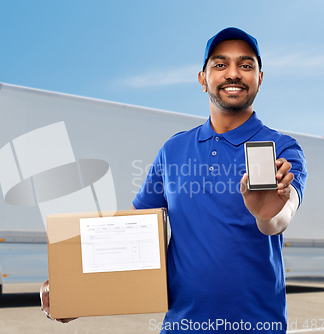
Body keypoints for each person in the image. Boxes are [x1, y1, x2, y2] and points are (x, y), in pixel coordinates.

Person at [41, 27, 307, 333]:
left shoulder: (283, 149)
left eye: (246, 65)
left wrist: (266, 214)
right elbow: (133, 234)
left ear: (260, 78)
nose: (233, 73)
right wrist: (77, 291)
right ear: (203, 79)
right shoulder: (173, 150)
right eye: (220, 65)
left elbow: (280, 219)